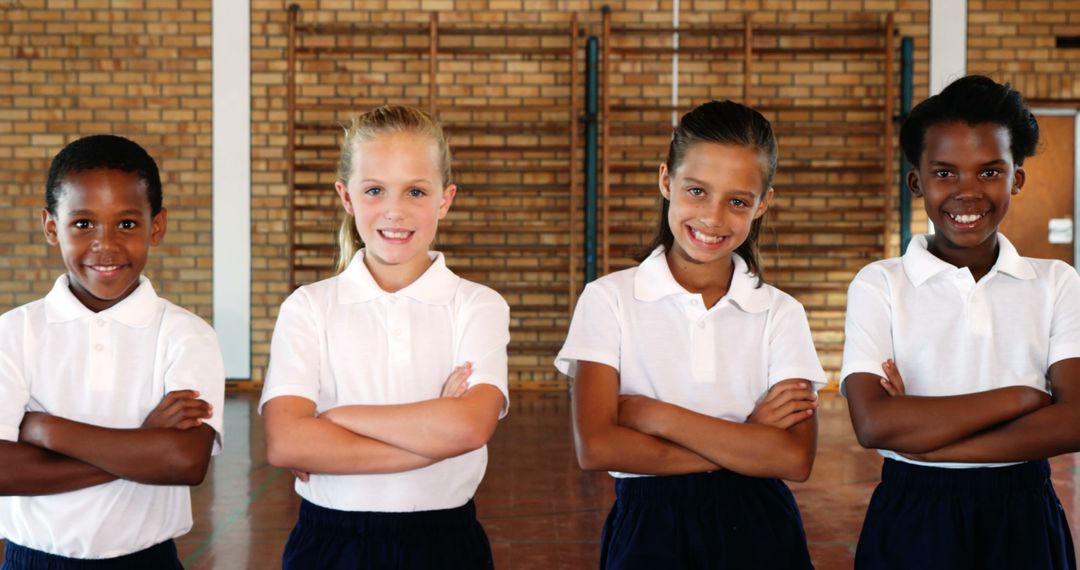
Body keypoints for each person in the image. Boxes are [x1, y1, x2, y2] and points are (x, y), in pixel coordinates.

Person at [556, 100, 825, 569]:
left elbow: (793, 459)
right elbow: (597, 446)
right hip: (649, 529)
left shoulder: (781, 313)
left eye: (738, 201)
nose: (713, 218)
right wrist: (747, 441)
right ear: (666, 181)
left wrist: (653, 414)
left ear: (762, 204)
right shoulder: (609, 299)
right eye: (697, 190)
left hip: (761, 528)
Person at [842, 74, 1080, 569]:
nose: (967, 193)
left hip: (1024, 514)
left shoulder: (1056, 282)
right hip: (913, 513)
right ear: (916, 181)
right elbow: (872, 423)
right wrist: (1022, 398)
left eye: (989, 172)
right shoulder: (880, 284)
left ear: (1017, 177)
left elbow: (1076, 419)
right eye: (945, 173)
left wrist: (926, 438)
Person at [261, 104, 510, 569]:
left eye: (416, 191)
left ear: (445, 198)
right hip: (330, 543)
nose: (395, 211)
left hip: (444, 542)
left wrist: (334, 419)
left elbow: (470, 427)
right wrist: (433, 438)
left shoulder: (477, 305)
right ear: (347, 196)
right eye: (375, 190)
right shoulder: (309, 307)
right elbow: (287, 443)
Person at [0, 134, 224, 569]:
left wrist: (47, 431)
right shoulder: (13, 333)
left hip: (147, 560)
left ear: (156, 226)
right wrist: (144, 446)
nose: (105, 245)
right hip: (35, 559)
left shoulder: (185, 334)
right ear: (51, 227)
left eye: (126, 224)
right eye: (83, 224)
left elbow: (184, 461)